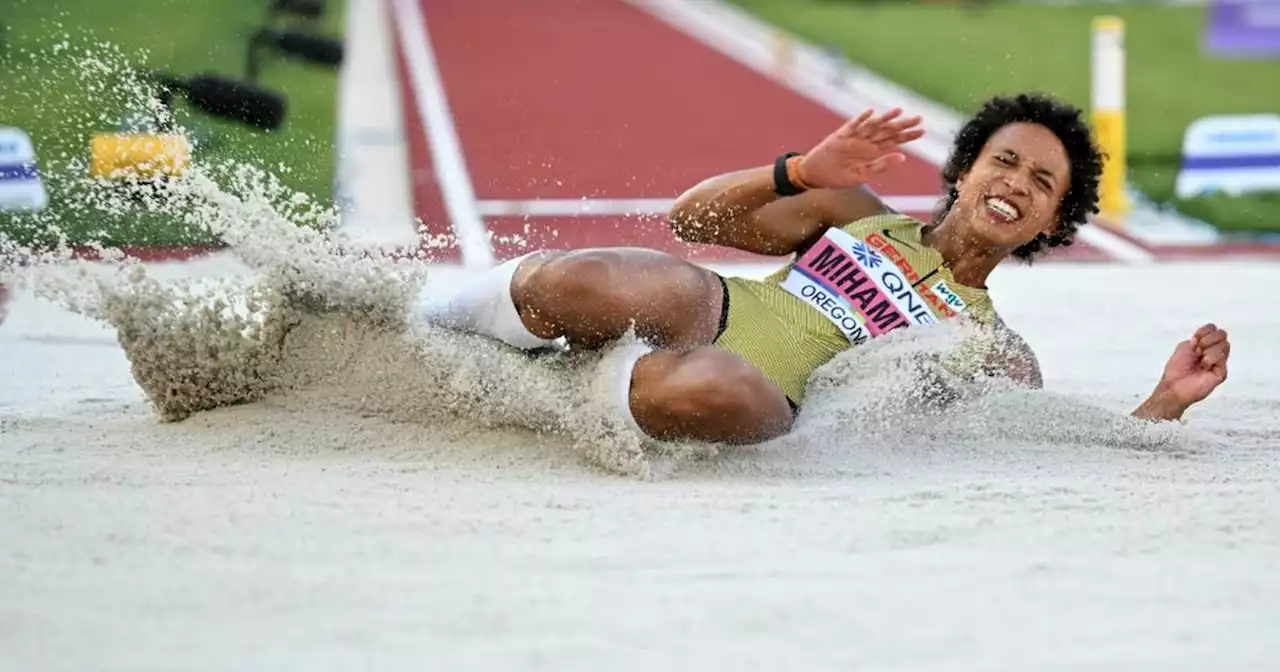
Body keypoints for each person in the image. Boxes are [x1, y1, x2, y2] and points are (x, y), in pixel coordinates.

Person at [420, 93, 1231, 445]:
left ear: (1052, 221)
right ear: (966, 169)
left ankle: (550, 394)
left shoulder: (997, 349)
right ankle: (423, 333)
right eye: (1004, 161)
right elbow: (692, 219)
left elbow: (1052, 442)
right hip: (710, 311)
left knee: (712, 387)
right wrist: (803, 170)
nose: (1016, 183)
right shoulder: (857, 212)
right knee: (610, 280)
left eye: (1042, 182)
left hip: (768, 400)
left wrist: (1164, 402)